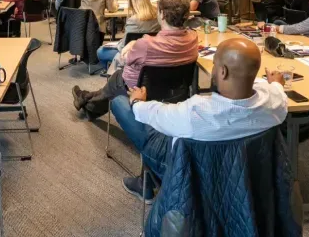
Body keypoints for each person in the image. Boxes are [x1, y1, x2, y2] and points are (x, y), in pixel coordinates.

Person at [109, 38, 288, 201]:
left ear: (223, 71)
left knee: (120, 103)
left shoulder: (195, 112)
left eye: (215, 65)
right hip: (244, 177)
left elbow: (154, 114)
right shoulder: (275, 103)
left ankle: (146, 184)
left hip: (188, 172)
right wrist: (275, 83)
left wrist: (137, 102)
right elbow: (276, 89)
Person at [72, 0, 198, 119]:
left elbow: (125, 60)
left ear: (162, 14)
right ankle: (86, 97)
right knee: (110, 86)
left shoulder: (145, 44)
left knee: (116, 79)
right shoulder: (193, 37)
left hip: (141, 89)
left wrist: (131, 45)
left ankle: (90, 106)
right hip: (175, 90)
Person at [97, 0, 160, 72]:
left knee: (101, 51)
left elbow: (125, 45)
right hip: (154, 52)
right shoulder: (158, 14)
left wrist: (117, 44)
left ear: (130, 0)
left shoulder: (133, 20)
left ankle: (115, 73)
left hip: (134, 52)